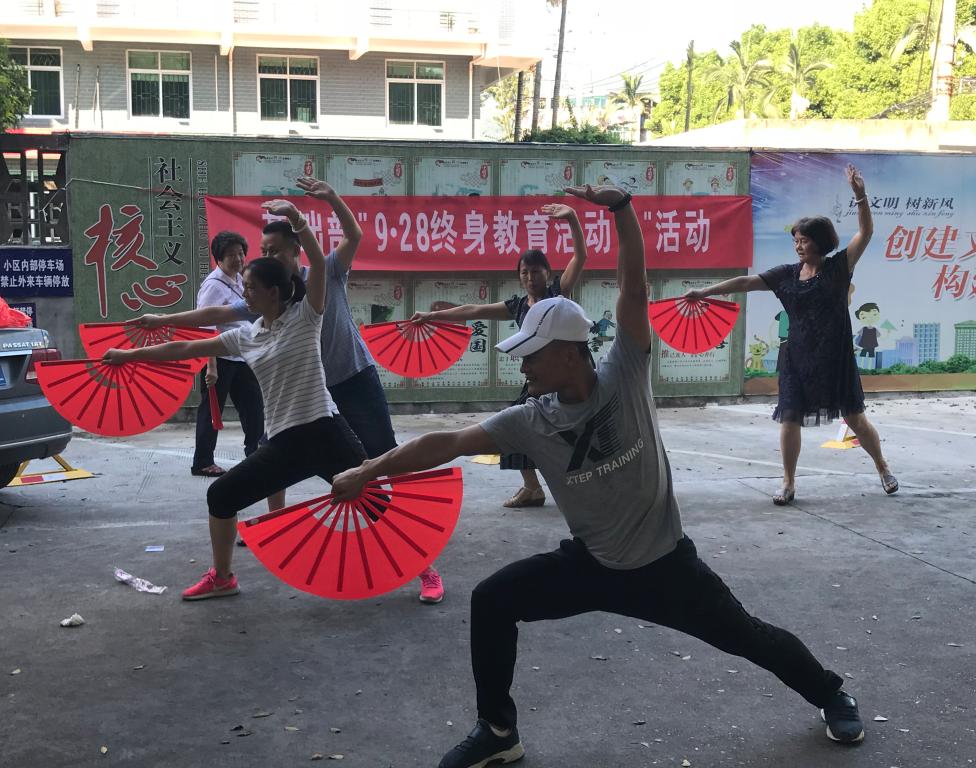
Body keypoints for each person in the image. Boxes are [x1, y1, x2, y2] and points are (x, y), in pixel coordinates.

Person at [330, 184, 867, 768]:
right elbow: (447, 443)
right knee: (492, 600)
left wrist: (622, 210)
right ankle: (498, 730)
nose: (523, 366)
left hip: (666, 567)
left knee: (750, 636)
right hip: (591, 566)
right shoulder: (530, 418)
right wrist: (369, 469)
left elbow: (634, 288)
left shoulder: (624, 374)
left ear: (569, 352)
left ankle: (830, 693)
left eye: (532, 355)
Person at [132, 178, 443, 604]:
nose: (267, 257)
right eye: (263, 251)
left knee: (378, 475)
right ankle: (250, 550)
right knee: (243, 478)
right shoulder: (260, 306)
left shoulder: (317, 284)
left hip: (349, 381)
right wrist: (160, 321)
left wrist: (314, 208)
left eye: (275, 250)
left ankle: (423, 564)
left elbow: (352, 235)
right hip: (297, 410)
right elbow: (209, 318)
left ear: (295, 251)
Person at [105, 209, 368, 601]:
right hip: (283, 443)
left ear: (273, 292)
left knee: (377, 503)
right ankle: (223, 577)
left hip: (325, 431)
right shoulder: (246, 336)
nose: (244, 295)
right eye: (243, 287)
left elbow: (316, 261)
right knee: (221, 496)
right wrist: (129, 356)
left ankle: (422, 566)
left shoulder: (307, 316)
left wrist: (297, 219)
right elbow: (185, 348)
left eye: (250, 288)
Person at [686, 165, 897, 505]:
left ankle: (883, 467)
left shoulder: (838, 268)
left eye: (804, 240)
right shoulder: (786, 275)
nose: (799, 246)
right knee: (789, 418)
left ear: (820, 242)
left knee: (855, 417)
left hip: (835, 358)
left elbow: (866, 232)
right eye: (796, 240)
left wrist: (860, 195)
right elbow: (746, 282)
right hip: (797, 359)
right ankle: (788, 482)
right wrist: (706, 291)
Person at [409, 203, 588, 508]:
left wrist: (572, 218)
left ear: (548, 273)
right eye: (525, 272)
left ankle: (584, 480)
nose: (530, 277)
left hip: (568, 375)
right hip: (538, 380)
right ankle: (532, 486)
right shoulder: (517, 306)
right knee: (515, 425)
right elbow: (473, 310)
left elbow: (580, 256)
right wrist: (432, 316)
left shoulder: (558, 293)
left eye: (536, 271)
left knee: (580, 428)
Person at [190, 231, 265, 477]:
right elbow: (205, 327)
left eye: (241, 253)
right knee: (211, 411)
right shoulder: (213, 285)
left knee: (253, 407)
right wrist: (211, 367)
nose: (238, 259)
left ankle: (256, 455)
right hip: (219, 359)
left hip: (242, 357)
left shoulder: (240, 280)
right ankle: (203, 462)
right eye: (231, 255)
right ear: (219, 258)